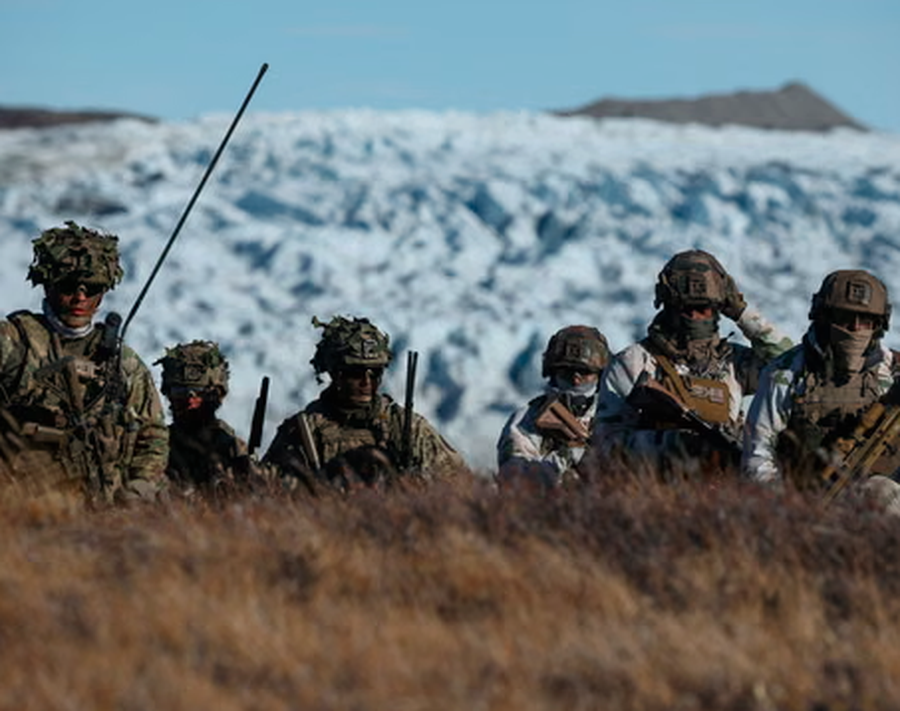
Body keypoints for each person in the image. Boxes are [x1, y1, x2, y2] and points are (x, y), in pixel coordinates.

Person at [583, 249, 792, 479]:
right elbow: (605, 446)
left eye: (703, 308)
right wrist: (671, 444)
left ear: (719, 309)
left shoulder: (735, 362)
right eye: (685, 308)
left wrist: (742, 312)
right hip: (654, 495)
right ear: (668, 306)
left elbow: (790, 366)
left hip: (722, 493)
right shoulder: (632, 362)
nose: (694, 317)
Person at [0, 221, 168, 505]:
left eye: (91, 288)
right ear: (47, 285)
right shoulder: (14, 342)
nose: (79, 297)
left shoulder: (123, 363)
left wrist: (140, 486)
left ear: (103, 293)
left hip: (102, 512)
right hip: (18, 508)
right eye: (68, 286)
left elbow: (152, 434)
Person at [742, 269, 900, 512]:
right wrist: (787, 508)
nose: (855, 329)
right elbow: (758, 455)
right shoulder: (786, 374)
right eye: (844, 318)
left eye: (865, 320)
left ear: (879, 325)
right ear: (824, 317)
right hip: (805, 501)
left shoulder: (891, 370)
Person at [264, 315, 466, 490]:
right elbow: (270, 491)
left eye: (375, 373)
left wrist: (418, 484)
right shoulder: (304, 430)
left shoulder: (407, 427)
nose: (366, 382)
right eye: (355, 373)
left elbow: (460, 482)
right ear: (335, 374)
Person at [496, 325, 610, 490]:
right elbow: (513, 480)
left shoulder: (616, 414)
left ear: (600, 375)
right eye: (567, 371)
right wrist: (565, 457)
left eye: (584, 372)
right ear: (553, 371)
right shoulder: (526, 419)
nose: (576, 380)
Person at [156, 340, 263, 498]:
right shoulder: (155, 447)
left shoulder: (233, 448)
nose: (190, 402)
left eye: (199, 394)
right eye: (180, 393)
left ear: (216, 396)